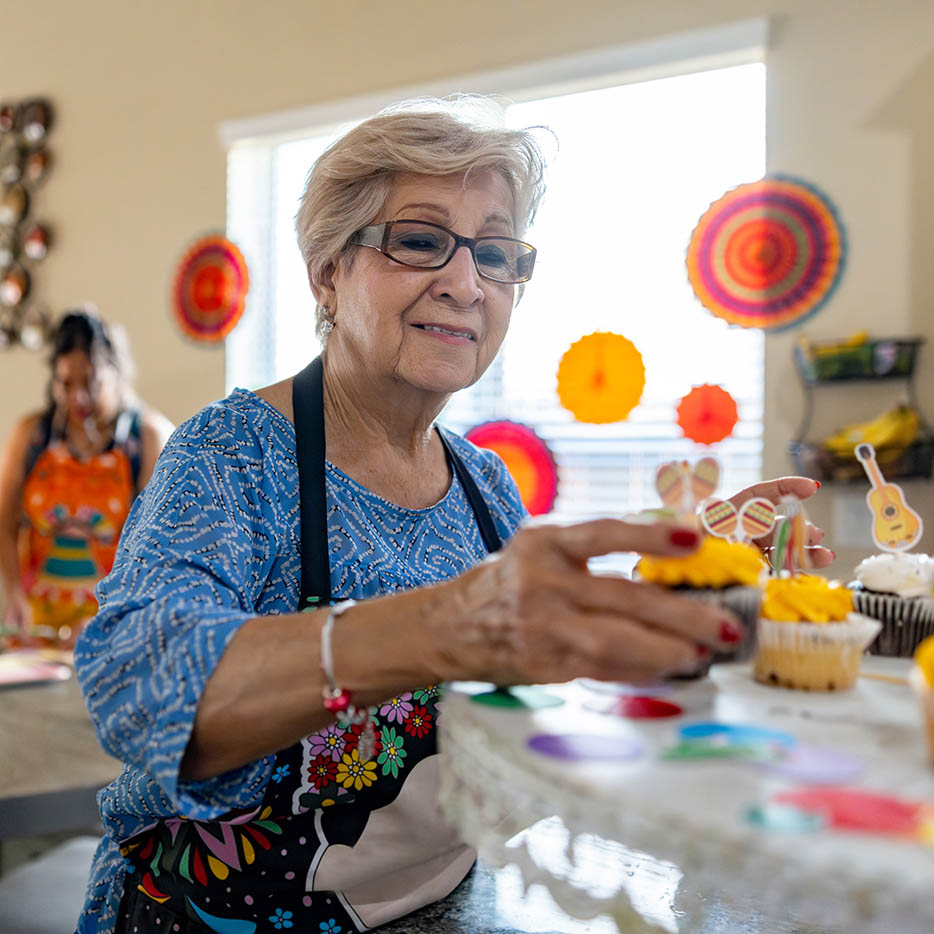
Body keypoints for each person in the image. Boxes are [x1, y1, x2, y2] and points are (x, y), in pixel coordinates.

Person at [74, 99, 832, 934]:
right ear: (329, 270)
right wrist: (436, 627)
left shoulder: (484, 482)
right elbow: (137, 690)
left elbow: (525, 673)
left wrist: (680, 577)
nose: (467, 284)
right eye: (421, 240)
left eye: (497, 253)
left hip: (442, 906)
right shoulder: (231, 457)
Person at [0, 308, 172, 648]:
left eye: (91, 382)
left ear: (117, 374)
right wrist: (14, 596)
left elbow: (160, 552)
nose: (78, 397)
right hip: (37, 633)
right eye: (65, 384)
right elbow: (4, 525)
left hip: (115, 632)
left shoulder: (148, 439)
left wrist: (111, 614)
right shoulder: (31, 436)